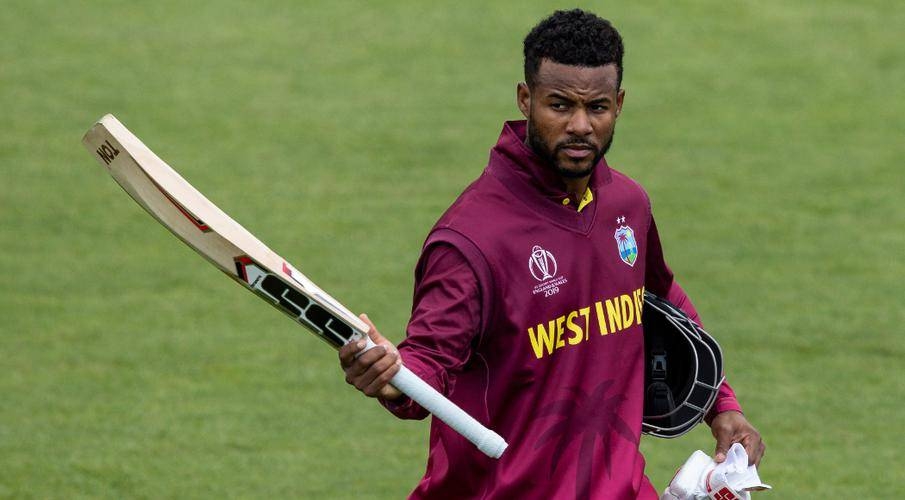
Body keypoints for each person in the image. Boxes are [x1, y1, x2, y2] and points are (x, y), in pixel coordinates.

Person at [338, 9, 764, 499]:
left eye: (597, 108)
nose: (580, 126)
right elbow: (425, 372)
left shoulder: (628, 204)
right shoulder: (471, 239)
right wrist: (388, 378)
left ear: (619, 104)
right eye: (559, 106)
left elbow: (663, 301)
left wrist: (722, 403)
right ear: (526, 99)